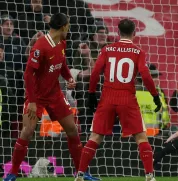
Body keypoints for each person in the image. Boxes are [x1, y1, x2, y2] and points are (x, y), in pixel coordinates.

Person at [3, 13, 97, 181]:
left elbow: (62, 64)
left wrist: (68, 77)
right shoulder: (40, 46)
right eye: (68, 25)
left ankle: (81, 173)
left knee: (73, 130)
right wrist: (31, 101)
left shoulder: (62, 42)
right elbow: (28, 74)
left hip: (55, 94)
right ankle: (12, 174)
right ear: (62, 26)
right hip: (36, 97)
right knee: (27, 131)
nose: (69, 28)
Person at [74, 19, 162, 181]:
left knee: (94, 137)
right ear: (134, 33)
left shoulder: (107, 49)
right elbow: (145, 74)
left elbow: (95, 73)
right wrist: (155, 96)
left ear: (118, 32)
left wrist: (91, 94)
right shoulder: (138, 52)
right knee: (141, 138)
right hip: (127, 98)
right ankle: (149, 175)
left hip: (107, 97)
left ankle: (80, 174)